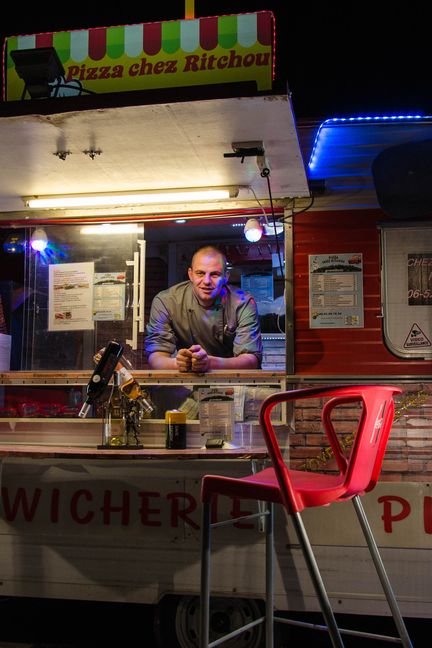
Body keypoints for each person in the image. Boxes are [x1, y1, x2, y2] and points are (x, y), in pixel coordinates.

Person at [145, 245, 262, 372]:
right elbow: (156, 357)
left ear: (226, 277)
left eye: (215, 274)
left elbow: (251, 360)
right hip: (188, 381)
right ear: (190, 274)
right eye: (200, 273)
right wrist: (178, 364)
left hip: (233, 381)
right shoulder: (166, 301)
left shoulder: (242, 303)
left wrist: (211, 363)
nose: (206, 281)